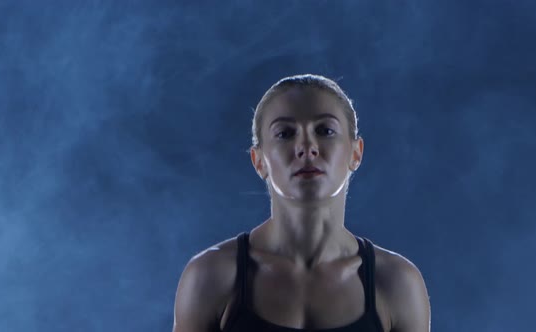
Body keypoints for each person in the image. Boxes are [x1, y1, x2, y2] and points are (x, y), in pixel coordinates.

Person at [172, 74, 431, 332]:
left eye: (325, 130)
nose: (307, 147)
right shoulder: (210, 278)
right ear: (258, 160)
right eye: (285, 133)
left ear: (356, 152)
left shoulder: (397, 284)